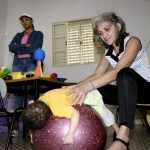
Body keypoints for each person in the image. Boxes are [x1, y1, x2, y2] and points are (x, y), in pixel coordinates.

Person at [65, 12, 150, 150]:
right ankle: (93, 130)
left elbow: (118, 71)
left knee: (124, 73)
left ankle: (123, 137)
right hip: (126, 93)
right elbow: (96, 75)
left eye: (107, 29)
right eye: (100, 33)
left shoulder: (133, 41)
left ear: (118, 26)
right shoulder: (107, 53)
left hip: (146, 90)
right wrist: (76, 87)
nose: (104, 35)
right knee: (91, 89)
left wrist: (87, 86)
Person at [22, 88, 119, 144]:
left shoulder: (57, 108)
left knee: (104, 114)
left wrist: (70, 134)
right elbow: (32, 116)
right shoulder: (39, 100)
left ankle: (118, 132)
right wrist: (32, 135)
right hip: (72, 92)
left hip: (88, 94)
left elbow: (75, 114)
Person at [9, 13, 44, 137]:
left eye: (27, 19)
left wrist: (18, 48)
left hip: (31, 64)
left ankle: (32, 129)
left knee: (31, 93)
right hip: (17, 65)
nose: (24, 22)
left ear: (31, 20)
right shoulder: (18, 35)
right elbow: (10, 47)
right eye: (22, 20)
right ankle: (15, 128)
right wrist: (24, 45)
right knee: (16, 93)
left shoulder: (38, 34)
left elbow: (34, 48)